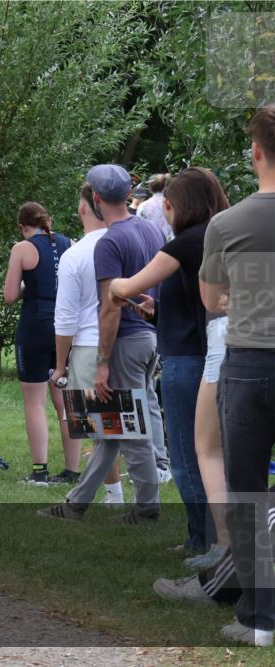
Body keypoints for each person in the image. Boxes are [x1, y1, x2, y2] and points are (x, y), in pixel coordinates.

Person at [109, 167, 231, 565]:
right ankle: (213, 540)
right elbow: (203, 306)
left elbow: (127, 286)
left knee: (186, 454)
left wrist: (115, 289)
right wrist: (155, 312)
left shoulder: (183, 244)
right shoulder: (222, 240)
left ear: (175, 205)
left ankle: (206, 543)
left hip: (186, 363)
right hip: (217, 355)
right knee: (216, 453)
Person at [40, 164, 166, 525]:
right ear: (128, 193)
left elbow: (110, 307)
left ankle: (146, 508)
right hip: (148, 338)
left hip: (124, 342)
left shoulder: (110, 241)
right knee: (109, 428)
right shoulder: (149, 229)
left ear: (95, 198)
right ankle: (76, 504)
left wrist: (101, 363)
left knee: (129, 429)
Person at [198, 104, 275, 647]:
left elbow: (211, 299)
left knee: (246, 492)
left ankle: (259, 616)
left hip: (248, 363)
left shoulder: (227, 223)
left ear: (255, 153)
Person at [3, 202, 80, 486]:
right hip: (66, 327)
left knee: (35, 402)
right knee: (67, 401)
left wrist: (29, 288)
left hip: (36, 325)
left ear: (24, 227)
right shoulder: (71, 243)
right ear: (48, 220)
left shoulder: (23, 248)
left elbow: (10, 295)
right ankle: (72, 470)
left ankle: (40, 471)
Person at [51, 184, 115, 501]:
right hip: (129, 340)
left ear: (83, 208)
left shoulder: (74, 254)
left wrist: (60, 364)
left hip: (89, 343)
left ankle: (112, 495)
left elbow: (65, 318)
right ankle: (129, 496)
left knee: (100, 428)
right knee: (121, 426)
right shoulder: (126, 242)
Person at [138, 174, 172, 240]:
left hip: (150, 243)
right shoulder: (173, 204)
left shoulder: (143, 206)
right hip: (171, 244)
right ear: (164, 186)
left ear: (150, 187)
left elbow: (140, 230)